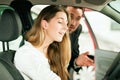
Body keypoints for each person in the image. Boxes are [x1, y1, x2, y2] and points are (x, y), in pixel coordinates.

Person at [14, 5, 71, 80]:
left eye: (66, 23)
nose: (66, 27)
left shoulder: (51, 52)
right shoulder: (26, 54)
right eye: (60, 22)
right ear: (45, 24)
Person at [65, 6, 94, 73]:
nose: (73, 23)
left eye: (78, 18)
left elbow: (73, 57)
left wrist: (77, 62)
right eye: (70, 16)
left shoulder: (77, 29)